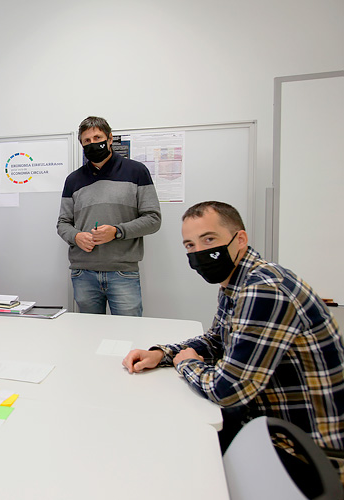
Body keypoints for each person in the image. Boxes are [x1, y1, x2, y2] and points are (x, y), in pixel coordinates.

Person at [122, 201, 344, 475]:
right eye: (190, 245)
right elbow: (217, 340)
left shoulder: (264, 289)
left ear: (240, 239)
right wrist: (162, 354)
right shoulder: (238, 280)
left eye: (209, 239)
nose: (199, 252)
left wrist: (186, 364)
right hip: (267, 421)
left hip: (305, 450)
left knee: (176, 457)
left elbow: (228, 391)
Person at [57, 116, 161, 316]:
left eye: (98, 137)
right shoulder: (73, 179)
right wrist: (76, 236)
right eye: (87, 141)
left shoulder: (137, 171)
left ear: (110, 139)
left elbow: (153, 219)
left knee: (128, 333)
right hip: (82, 273)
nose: (93, 143)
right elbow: (63, 223)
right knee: (89, 334)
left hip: (123, 272)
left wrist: (117, 232)